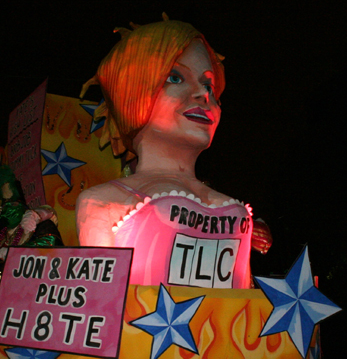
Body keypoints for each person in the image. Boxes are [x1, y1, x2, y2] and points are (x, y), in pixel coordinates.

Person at [76, 15, 271, 289]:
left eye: (209, 85)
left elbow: (242, 300)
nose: (204, 95)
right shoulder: (101, 202)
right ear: (131, 91)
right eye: (175, 77)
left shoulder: (231, 204)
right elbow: (100, 302)